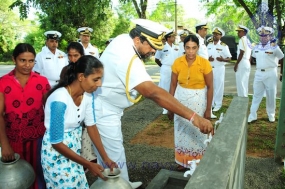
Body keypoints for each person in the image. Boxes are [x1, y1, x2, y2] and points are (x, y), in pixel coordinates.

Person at [93, 18, 213, 189]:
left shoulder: (124, 41)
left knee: (114, 150)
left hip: (109, 106)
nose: (152, 52)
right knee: (112, 153)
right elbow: (153, 92)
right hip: (103, 108)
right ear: (137, 40)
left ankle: (123, 183)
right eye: (150, 46)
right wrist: (194, 117)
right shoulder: (127, 56)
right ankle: (118, 186)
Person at [41, 55, 116, 188]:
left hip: (75, 152)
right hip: (56, 156)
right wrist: (87, 164)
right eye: (96, 79)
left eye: (100, 79)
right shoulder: (60, 100)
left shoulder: (87, 96)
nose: (100, 84)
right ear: (81, 77)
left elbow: (91, 126)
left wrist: (106, 158)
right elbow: (56, 142)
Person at [0, 43, 50, 189]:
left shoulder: (42, 81)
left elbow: (50, 110)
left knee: (40, 177)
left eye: (31, 61)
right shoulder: (3, 83)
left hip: (39, 140)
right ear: (14, 59)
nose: (27, 65)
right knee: (16, 180)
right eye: (23, 60)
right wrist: (4, 145)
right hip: (14, 141)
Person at [168, 34, 213, 170]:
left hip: (198, 99)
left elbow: (210, 87)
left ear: (198, 48)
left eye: (194, 48)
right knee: (181, 128)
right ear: (184, 48)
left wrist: (208, 109)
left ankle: (198, 161)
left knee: (196, 129)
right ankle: (183, 161)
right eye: (188, 48)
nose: (191, 51)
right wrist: (170, 107)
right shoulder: (177, 62)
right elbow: (172, 85)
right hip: (180, 98)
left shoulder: (204, 63)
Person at [60, 42, 97, 164]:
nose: (73, 59)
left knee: (87, 149)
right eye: (70, 56)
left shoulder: (89, 70)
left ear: (82, 55)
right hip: (70, 115)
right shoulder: (66, 71)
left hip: (85, 112)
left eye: (76, 55)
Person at [248, 26, 284, 123]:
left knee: (271, 94)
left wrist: (281, 72)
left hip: (271, 73)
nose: (263, 37)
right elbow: (254, 57)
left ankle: (271, 114)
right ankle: (252, 115)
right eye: (261, 35)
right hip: (259, 73)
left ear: (269, 36)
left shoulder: (274, 47)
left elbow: (282, 57)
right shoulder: (256, 47)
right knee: (256, 94)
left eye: (265, 35)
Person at [155, 29, 179, 114]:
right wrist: (163, 66)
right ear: (168, 38)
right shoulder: (162, 47)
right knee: (165, 87)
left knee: (174, 86)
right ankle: (165, 108)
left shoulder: (176, 47)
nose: (174, 38)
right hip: (166, 68)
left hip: (175, 68)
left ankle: (174, 105)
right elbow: (156, 59)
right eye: (172, 36)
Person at [207, 27, 232, 112]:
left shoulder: (224, 46)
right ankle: (212, 103)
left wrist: (223, 59)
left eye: (217, 34)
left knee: (218, 86)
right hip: (210, 68)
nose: (215, 35)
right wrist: (208, 59)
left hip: (219, 68)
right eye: (214, 34)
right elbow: (205, 56)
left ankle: (218, 104)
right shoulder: (209, 45)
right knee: (210, 86)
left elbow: (229, 58)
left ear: (221, 36)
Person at [234, 25, 252, 97]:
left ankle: (242, 99)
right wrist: (249, 63)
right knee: (245, 82)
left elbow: (241, 52)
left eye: (239, 31)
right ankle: (245, 97)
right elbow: (250, 54)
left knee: (240, 82)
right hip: (247, 61)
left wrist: (236, 64)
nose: (238, 33)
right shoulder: (248, 41)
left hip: (242, 61)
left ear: (243, 32)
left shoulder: (242, 39)